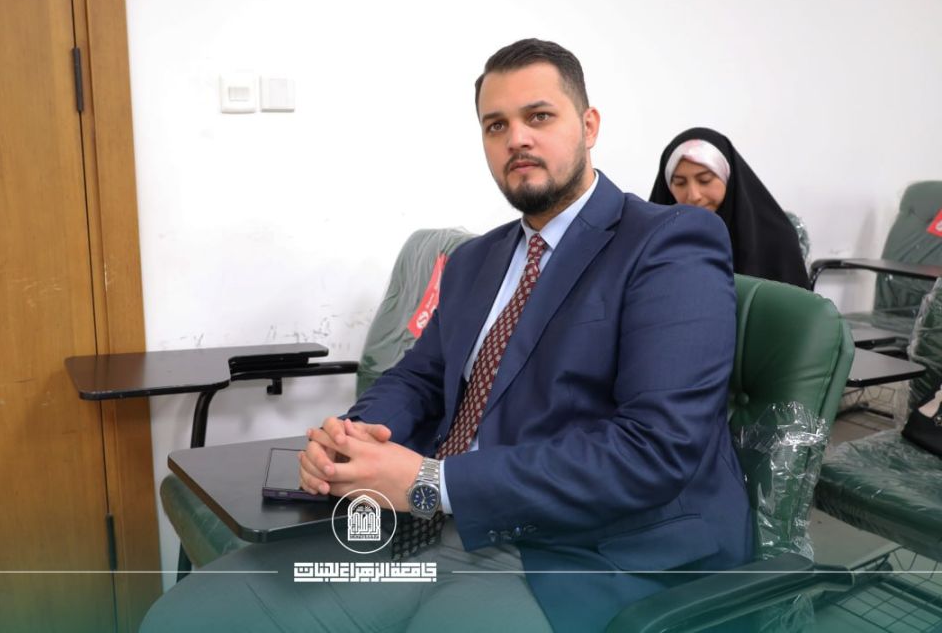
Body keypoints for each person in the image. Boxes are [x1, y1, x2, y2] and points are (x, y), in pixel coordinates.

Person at [142, 39, 753, 633]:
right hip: (434, 519)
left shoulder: (668, 242)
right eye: (496, 125)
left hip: (588, 549)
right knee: (188, 617)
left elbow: (655, 448)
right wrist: (356, 438)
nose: (517, 138)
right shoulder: (474, 260)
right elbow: (419, 376)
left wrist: (433, 483)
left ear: (588, 125)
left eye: (539, 116)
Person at [649, 127, 810, 288]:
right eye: (680, 183)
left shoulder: (776, 239)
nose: (693, 195)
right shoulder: (656, 240)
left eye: (705, 180)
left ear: (728, 178)